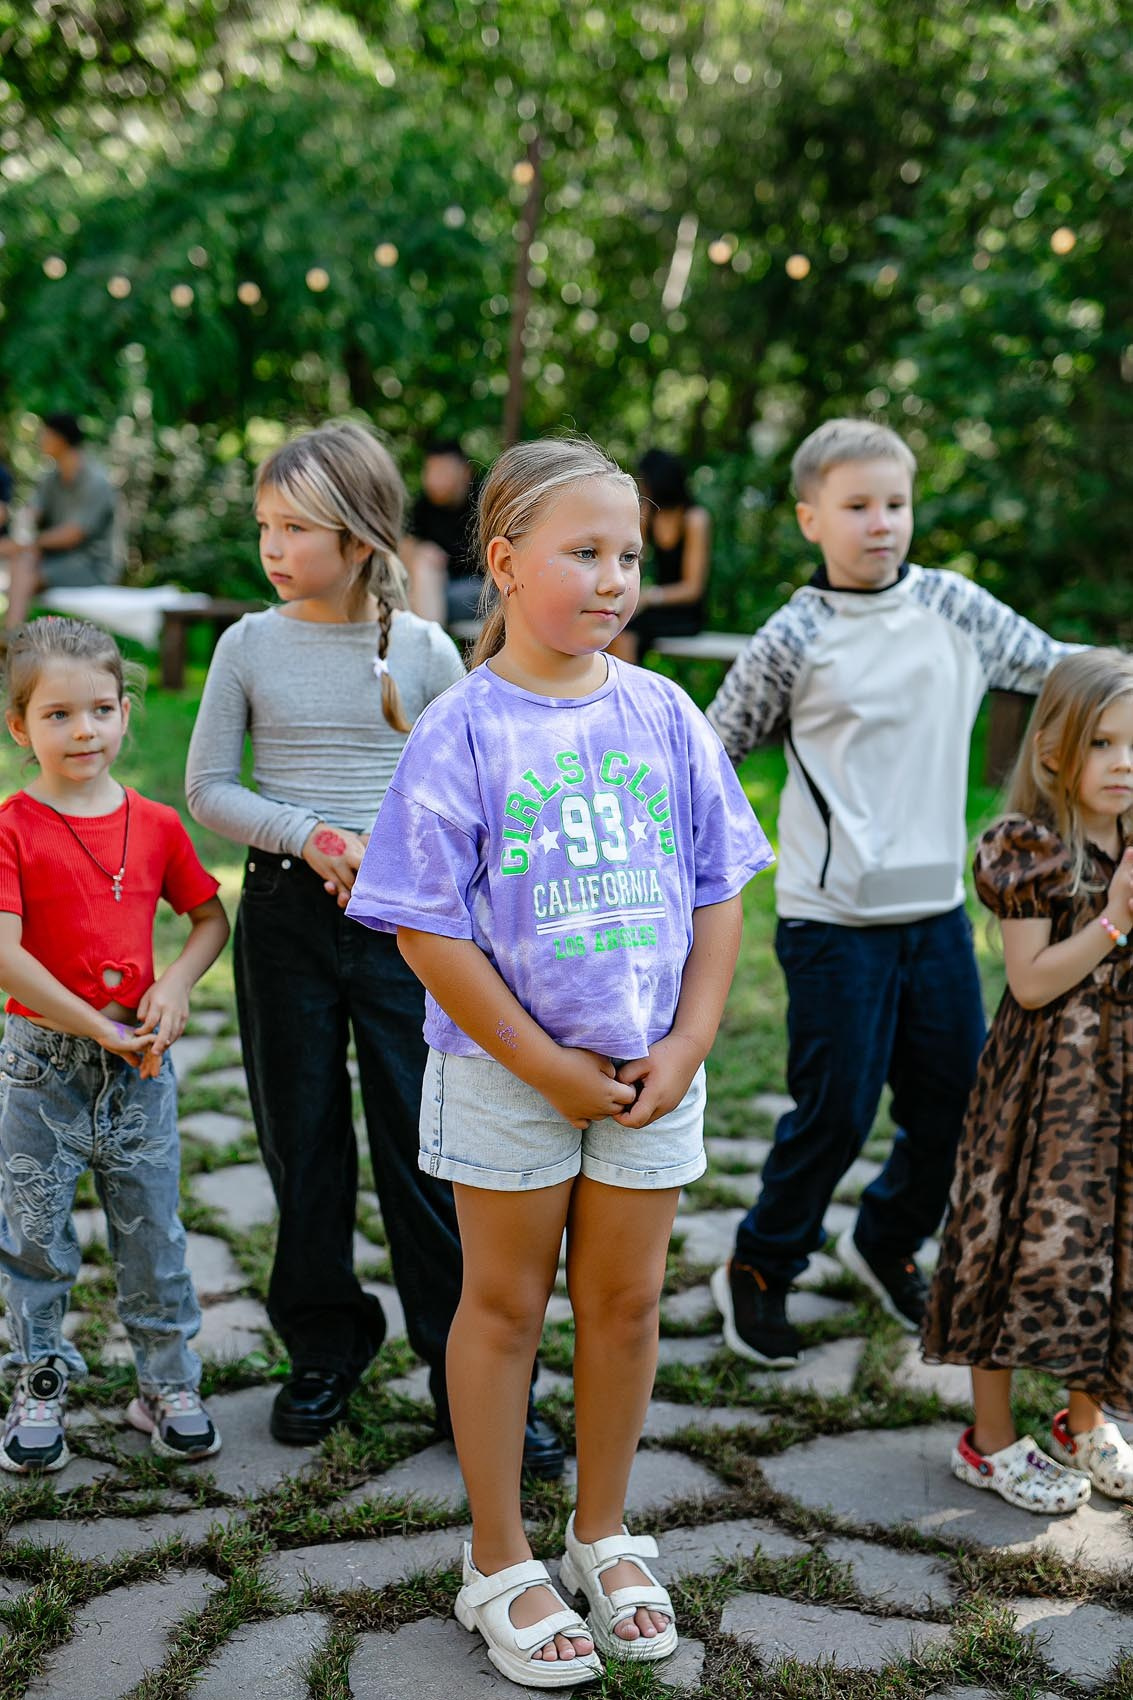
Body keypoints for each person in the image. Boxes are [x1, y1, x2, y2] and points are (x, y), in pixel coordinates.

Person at [346, 437, 772, 1686]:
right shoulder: (462, 727)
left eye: (626, 554)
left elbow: (717, 889)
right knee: (505, 1304)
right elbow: (424, 926)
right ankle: (498, 1555)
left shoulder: (661, 710)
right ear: (504, 560)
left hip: (648, 1069)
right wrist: (542, 1063)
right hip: (505, 1072)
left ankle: (600, 1529)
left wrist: (689, 1041)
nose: (611, 578)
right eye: (582, 551)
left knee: (627, 1303)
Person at [185, 421, 564, 1478]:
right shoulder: (248, 643)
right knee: (300, 1137)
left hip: (410, 926)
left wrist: (387, 857)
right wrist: (309, 835)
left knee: (424, 1146)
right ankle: (324, 1342)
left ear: (357, 536)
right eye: (264, 524)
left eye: (294, 525)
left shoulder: (427, 649)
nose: (272, 545)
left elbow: (463, 792)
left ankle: (468, 1376)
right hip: (288, 914)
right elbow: (209, 785)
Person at [706, 418, 1077, 1369]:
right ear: (810, 517)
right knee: (832, 1113)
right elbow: (710, 753)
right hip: (831, 923)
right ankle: (758, 1266)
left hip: (936, 917)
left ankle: (883, 1242)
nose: (881, 524)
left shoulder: (955, 606)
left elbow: (1066, 673)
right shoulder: (795, 633)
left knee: (957, 1106)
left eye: (896, 504)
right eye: (857, 506)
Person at [0, 617, 229, 1473]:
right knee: (34, 1243)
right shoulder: (14, 826)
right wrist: (92, 1024)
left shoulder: (158, 824)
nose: (84, 730)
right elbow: (6, 954)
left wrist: (171, 989)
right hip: (41, 1070)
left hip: (139, 1073)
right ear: (21, 727)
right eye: (58, 715)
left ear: (127, 712)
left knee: (154, 1237)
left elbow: (210, 919)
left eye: (100, 708)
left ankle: (165, 1386)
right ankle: (38, 1386)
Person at [923, 650, 1133, 1513]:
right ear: (1052, 753)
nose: (1124, 763)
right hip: (1042, 1096)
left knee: (1104, 1256)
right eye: (1104, 744)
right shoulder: (1030, 849)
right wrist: (1116, 919)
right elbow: (1032, 981)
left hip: (1118, 1092)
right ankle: (989, 1437)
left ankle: (1082, 1422)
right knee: (1013, 1248)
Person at [0, 415, 118, 631]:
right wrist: (24, 527)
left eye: (45, 434)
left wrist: (26, 544)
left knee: (23, 569)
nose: (39, 440)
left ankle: (10, 640)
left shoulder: (96, 482)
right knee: (22, 563)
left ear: (61, 439)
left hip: (92, 566)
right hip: (55, 561)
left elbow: (73, 534)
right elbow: (31, 513)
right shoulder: (50, 478)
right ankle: (12, 638)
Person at [609, 449, 710, 666]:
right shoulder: (650, 513)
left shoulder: (694, 519)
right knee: (611, 620)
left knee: (625, 630)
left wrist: (649, 597)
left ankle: (628, 695)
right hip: (655, 608)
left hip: (685, 612)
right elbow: (632, 562)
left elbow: (692, 589)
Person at [401, 439, 480, 627]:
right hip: (433, 588)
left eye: (443, 471)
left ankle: (427, 646)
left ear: (465, 473)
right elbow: (403, 552)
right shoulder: (423, 507)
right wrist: (421, 551)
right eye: (430, 471)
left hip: (481, 589)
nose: (434, 479)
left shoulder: (484, 501)